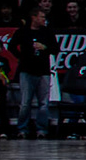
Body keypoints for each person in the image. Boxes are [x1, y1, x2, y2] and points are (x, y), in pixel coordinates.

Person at [7, 9, 57, 138]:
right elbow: (11, 46)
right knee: (25, 103)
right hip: (27, 70)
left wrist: (45, 47)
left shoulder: (47, 32)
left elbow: (56, 49)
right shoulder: (23, 31)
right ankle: (22, 129)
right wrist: (21, 57)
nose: (43, 19)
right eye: (41, 17)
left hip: (43, 71)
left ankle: (42, 130)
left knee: (43, 103)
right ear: (34, 17)